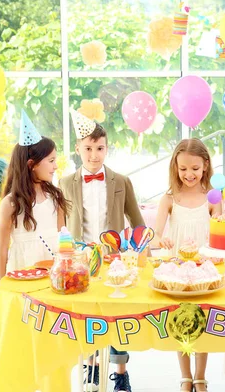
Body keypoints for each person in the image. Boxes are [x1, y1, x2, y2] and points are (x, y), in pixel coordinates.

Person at [59, 109, 145, 392]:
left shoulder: (121, 181)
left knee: (117, 313)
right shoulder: (65, 183)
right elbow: (61, 225)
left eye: (100, 148)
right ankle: (92, 366)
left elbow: (137, 221)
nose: (94, 155)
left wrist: (143, 252)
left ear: (107, 148)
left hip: (114, 256)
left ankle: (121, 372)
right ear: (77, 149)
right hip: (81, 258)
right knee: (87, 311)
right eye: (88, 149)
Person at [153, 139, 221, 392]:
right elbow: (156, 234)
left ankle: (200, 376)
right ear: (175, 167)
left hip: (204, 269)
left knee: (201, 320)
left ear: (205, 165)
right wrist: (162, 239)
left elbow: (219, 234)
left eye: (194, 168)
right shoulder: (169, 198)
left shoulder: (213, 198)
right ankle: (185, 376)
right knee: (179, 321)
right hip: (177, 269)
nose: (189, 174)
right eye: (183, 169)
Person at [0, 111, 69, 278]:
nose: (56, 166)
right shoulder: (10, 204)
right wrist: (1, 288)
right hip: (23, 271)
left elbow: (63, 237)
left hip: (54, 272)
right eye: (51, 161)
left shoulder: (56, 197)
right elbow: (1, 250)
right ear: (32, 164)